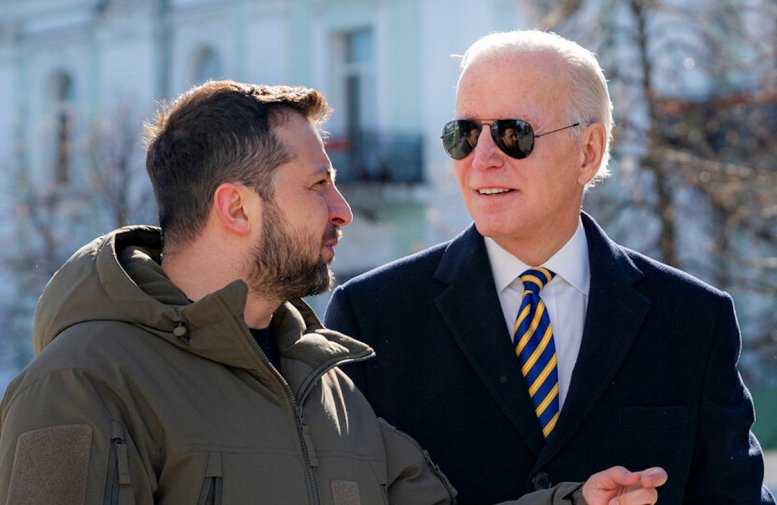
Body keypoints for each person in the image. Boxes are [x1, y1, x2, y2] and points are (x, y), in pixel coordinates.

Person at [0, 80, 666, 505]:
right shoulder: (83, 383)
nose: (342, 208)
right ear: (237, 208)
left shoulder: (326, 386)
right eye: (317, 185)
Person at [325, 30, 776, 505]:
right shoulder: (372, 317)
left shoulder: (692, 319)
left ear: (588, 152)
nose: (482, 159)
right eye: (465, 135)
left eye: (512, 134)